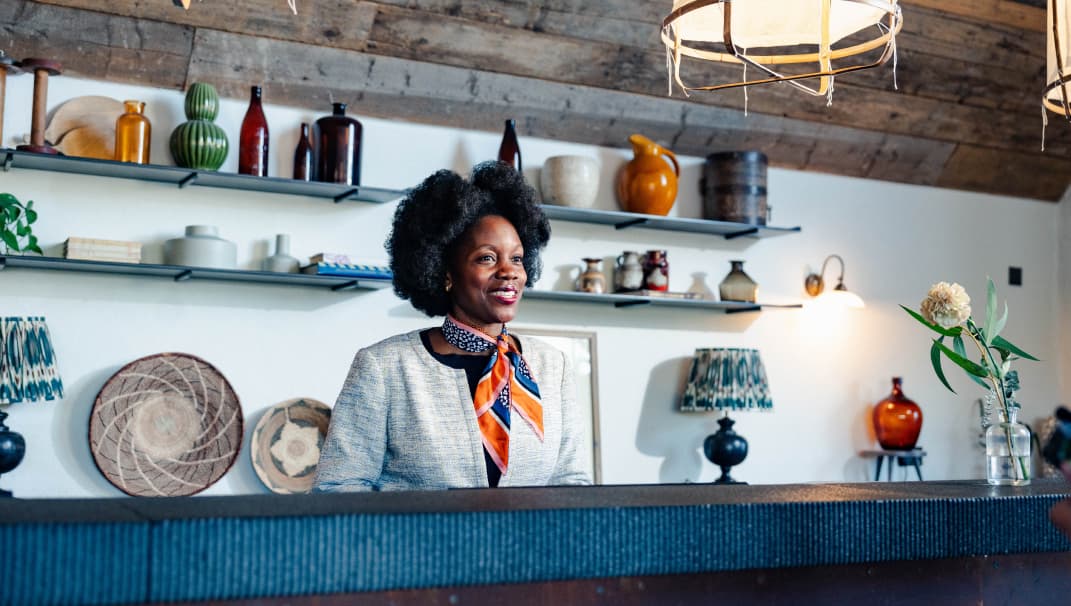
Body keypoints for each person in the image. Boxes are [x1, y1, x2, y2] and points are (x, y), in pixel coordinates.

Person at [314, 161, 592, 491]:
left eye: (516, 258)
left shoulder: (552, 366)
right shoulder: (384, 367)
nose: (509, 272)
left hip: (528, 544)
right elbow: (339, 489)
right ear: (444, 272)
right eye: (487, 258)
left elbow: (571, 485)